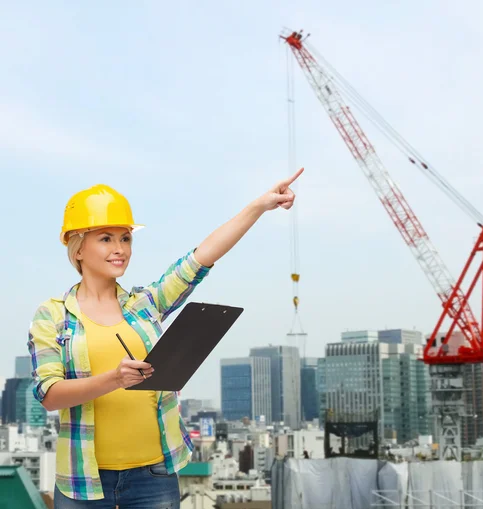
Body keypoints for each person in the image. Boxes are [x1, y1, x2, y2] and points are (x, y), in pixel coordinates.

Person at [28, 168, 303, 508]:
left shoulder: (146, 305)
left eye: (125, 238)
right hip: (85, 482)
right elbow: (50, 396)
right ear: (78, 248)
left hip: (154, 477)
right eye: (106, 238)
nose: (120, 249)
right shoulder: (53, 315)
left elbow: (201, 257)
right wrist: (114, 379)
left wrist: (259, 206)